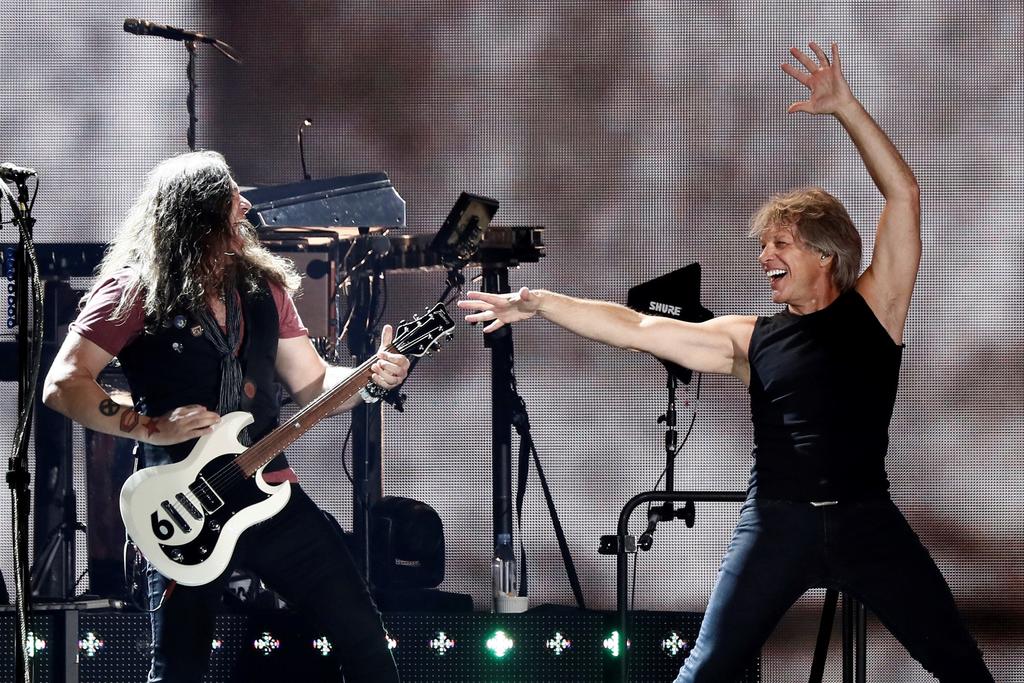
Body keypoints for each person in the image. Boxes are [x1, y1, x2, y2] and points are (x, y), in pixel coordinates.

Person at [459, 43, 993, 681]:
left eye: (781, 243)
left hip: (865, 520)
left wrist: (845, 108)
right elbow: (636, 329)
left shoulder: (876, 309)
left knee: (962, 667)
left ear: (826, 253)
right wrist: (542, 303)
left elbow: (903, 194)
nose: (766, 256)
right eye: (763, 246)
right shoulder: (751, 338)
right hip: (777, 524)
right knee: (704, 671)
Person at [42, 150, 409, 683]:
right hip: (182, 504)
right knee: (179, 669)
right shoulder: (133, 289)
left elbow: (312, 383)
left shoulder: (263, 289)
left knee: (366, 641)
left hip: (267, 490)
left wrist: (369, 378)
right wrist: (148, 426)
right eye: (230, 196)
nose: (245, 206)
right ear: (195, 213)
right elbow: (63, 384)